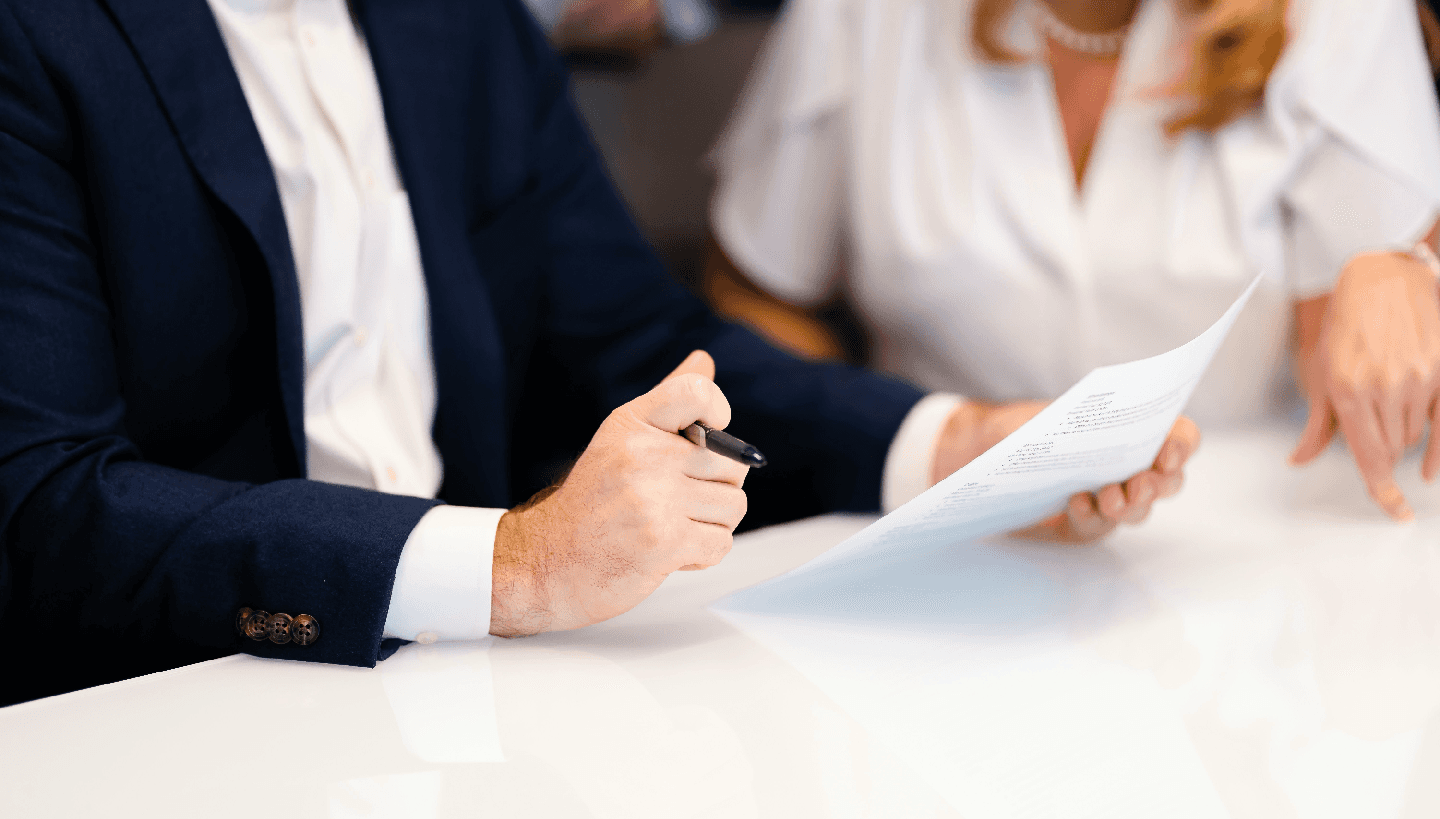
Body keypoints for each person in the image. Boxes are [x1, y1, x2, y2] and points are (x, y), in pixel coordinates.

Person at [0, 0, 1196, 707]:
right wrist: (516, 564)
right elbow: (41, 498)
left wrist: (951, 447)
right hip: (156, 712)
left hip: (480, 698)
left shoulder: (459, 22)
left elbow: (633, 341)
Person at [706, 0, 1440, 521]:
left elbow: (1364, 360)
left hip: (1263, 543)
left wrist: (1403, 279)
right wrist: (873, 448)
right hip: (943, 528)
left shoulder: (1340, 15)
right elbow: (758, 287)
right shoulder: (864, 15)